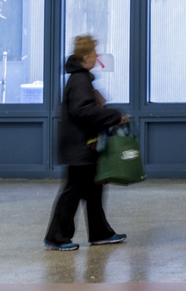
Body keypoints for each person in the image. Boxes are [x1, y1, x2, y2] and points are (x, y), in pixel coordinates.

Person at [44, 35, 128, 251]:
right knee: (72, 193)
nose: (97, 56)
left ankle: (100, 233)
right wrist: (113, 116)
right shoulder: (80, 79)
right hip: (80, 148)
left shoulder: (79, 78)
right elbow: (83, 111)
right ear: (87, 56)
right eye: (94, 53)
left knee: (93, 191)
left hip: (83, 147)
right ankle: (56, 237)